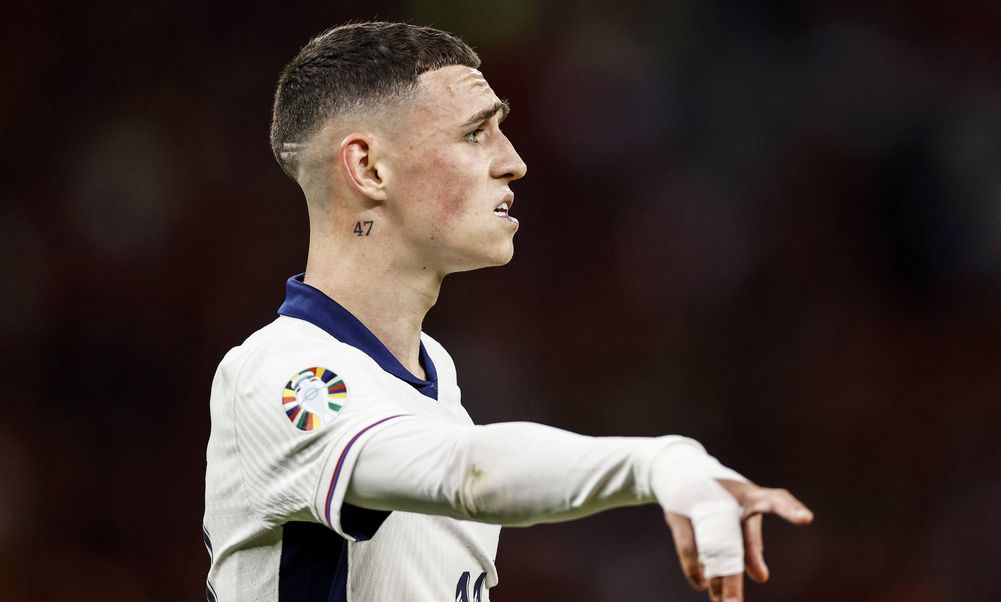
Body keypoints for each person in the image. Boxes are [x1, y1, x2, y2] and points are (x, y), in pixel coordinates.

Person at [203, 21, 812, 602]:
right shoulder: (279, 374)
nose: (513, 161)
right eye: (475, 133)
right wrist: (653, 462)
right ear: (368, 168)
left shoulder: (433, 377)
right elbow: (468, 475)